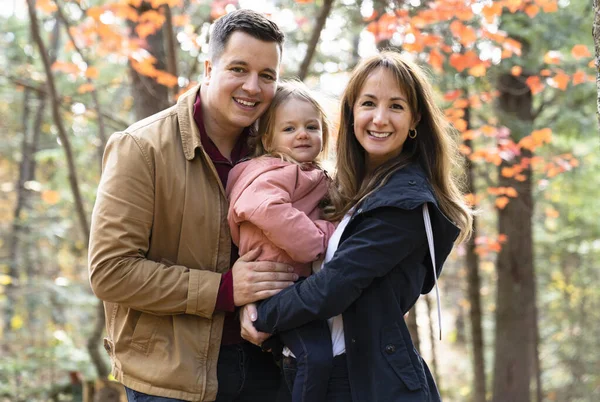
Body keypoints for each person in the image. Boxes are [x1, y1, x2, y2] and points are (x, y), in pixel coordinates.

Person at [240, 51, 474, 402]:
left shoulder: (403, 203)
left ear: (414, 120)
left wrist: (261, 315)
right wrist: (249, 287)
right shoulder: (348, 187)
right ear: (350, 114)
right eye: (368, 103)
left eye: (396, 106)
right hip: (320, 372)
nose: (379, 118)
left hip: (361, 382)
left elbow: (332, 288)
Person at [88, 9, 296, 402]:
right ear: (209, 68)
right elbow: (111, 272)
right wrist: (223, 290)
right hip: (170, 379)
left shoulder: (276, 150)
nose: (253, 87)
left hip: (268, 368)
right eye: (239, 68)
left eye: (267, 75)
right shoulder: (141, 148)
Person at [226, 81, 336, 402]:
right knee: (314, 358)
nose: (302, 134)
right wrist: (317, 239)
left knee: (310, 360)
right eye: (289, 128)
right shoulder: (270, 170)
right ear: (267, 139)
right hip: (273, 288)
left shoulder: (312, 174)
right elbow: (265, 208)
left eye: (311, 126)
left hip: (295, 286)